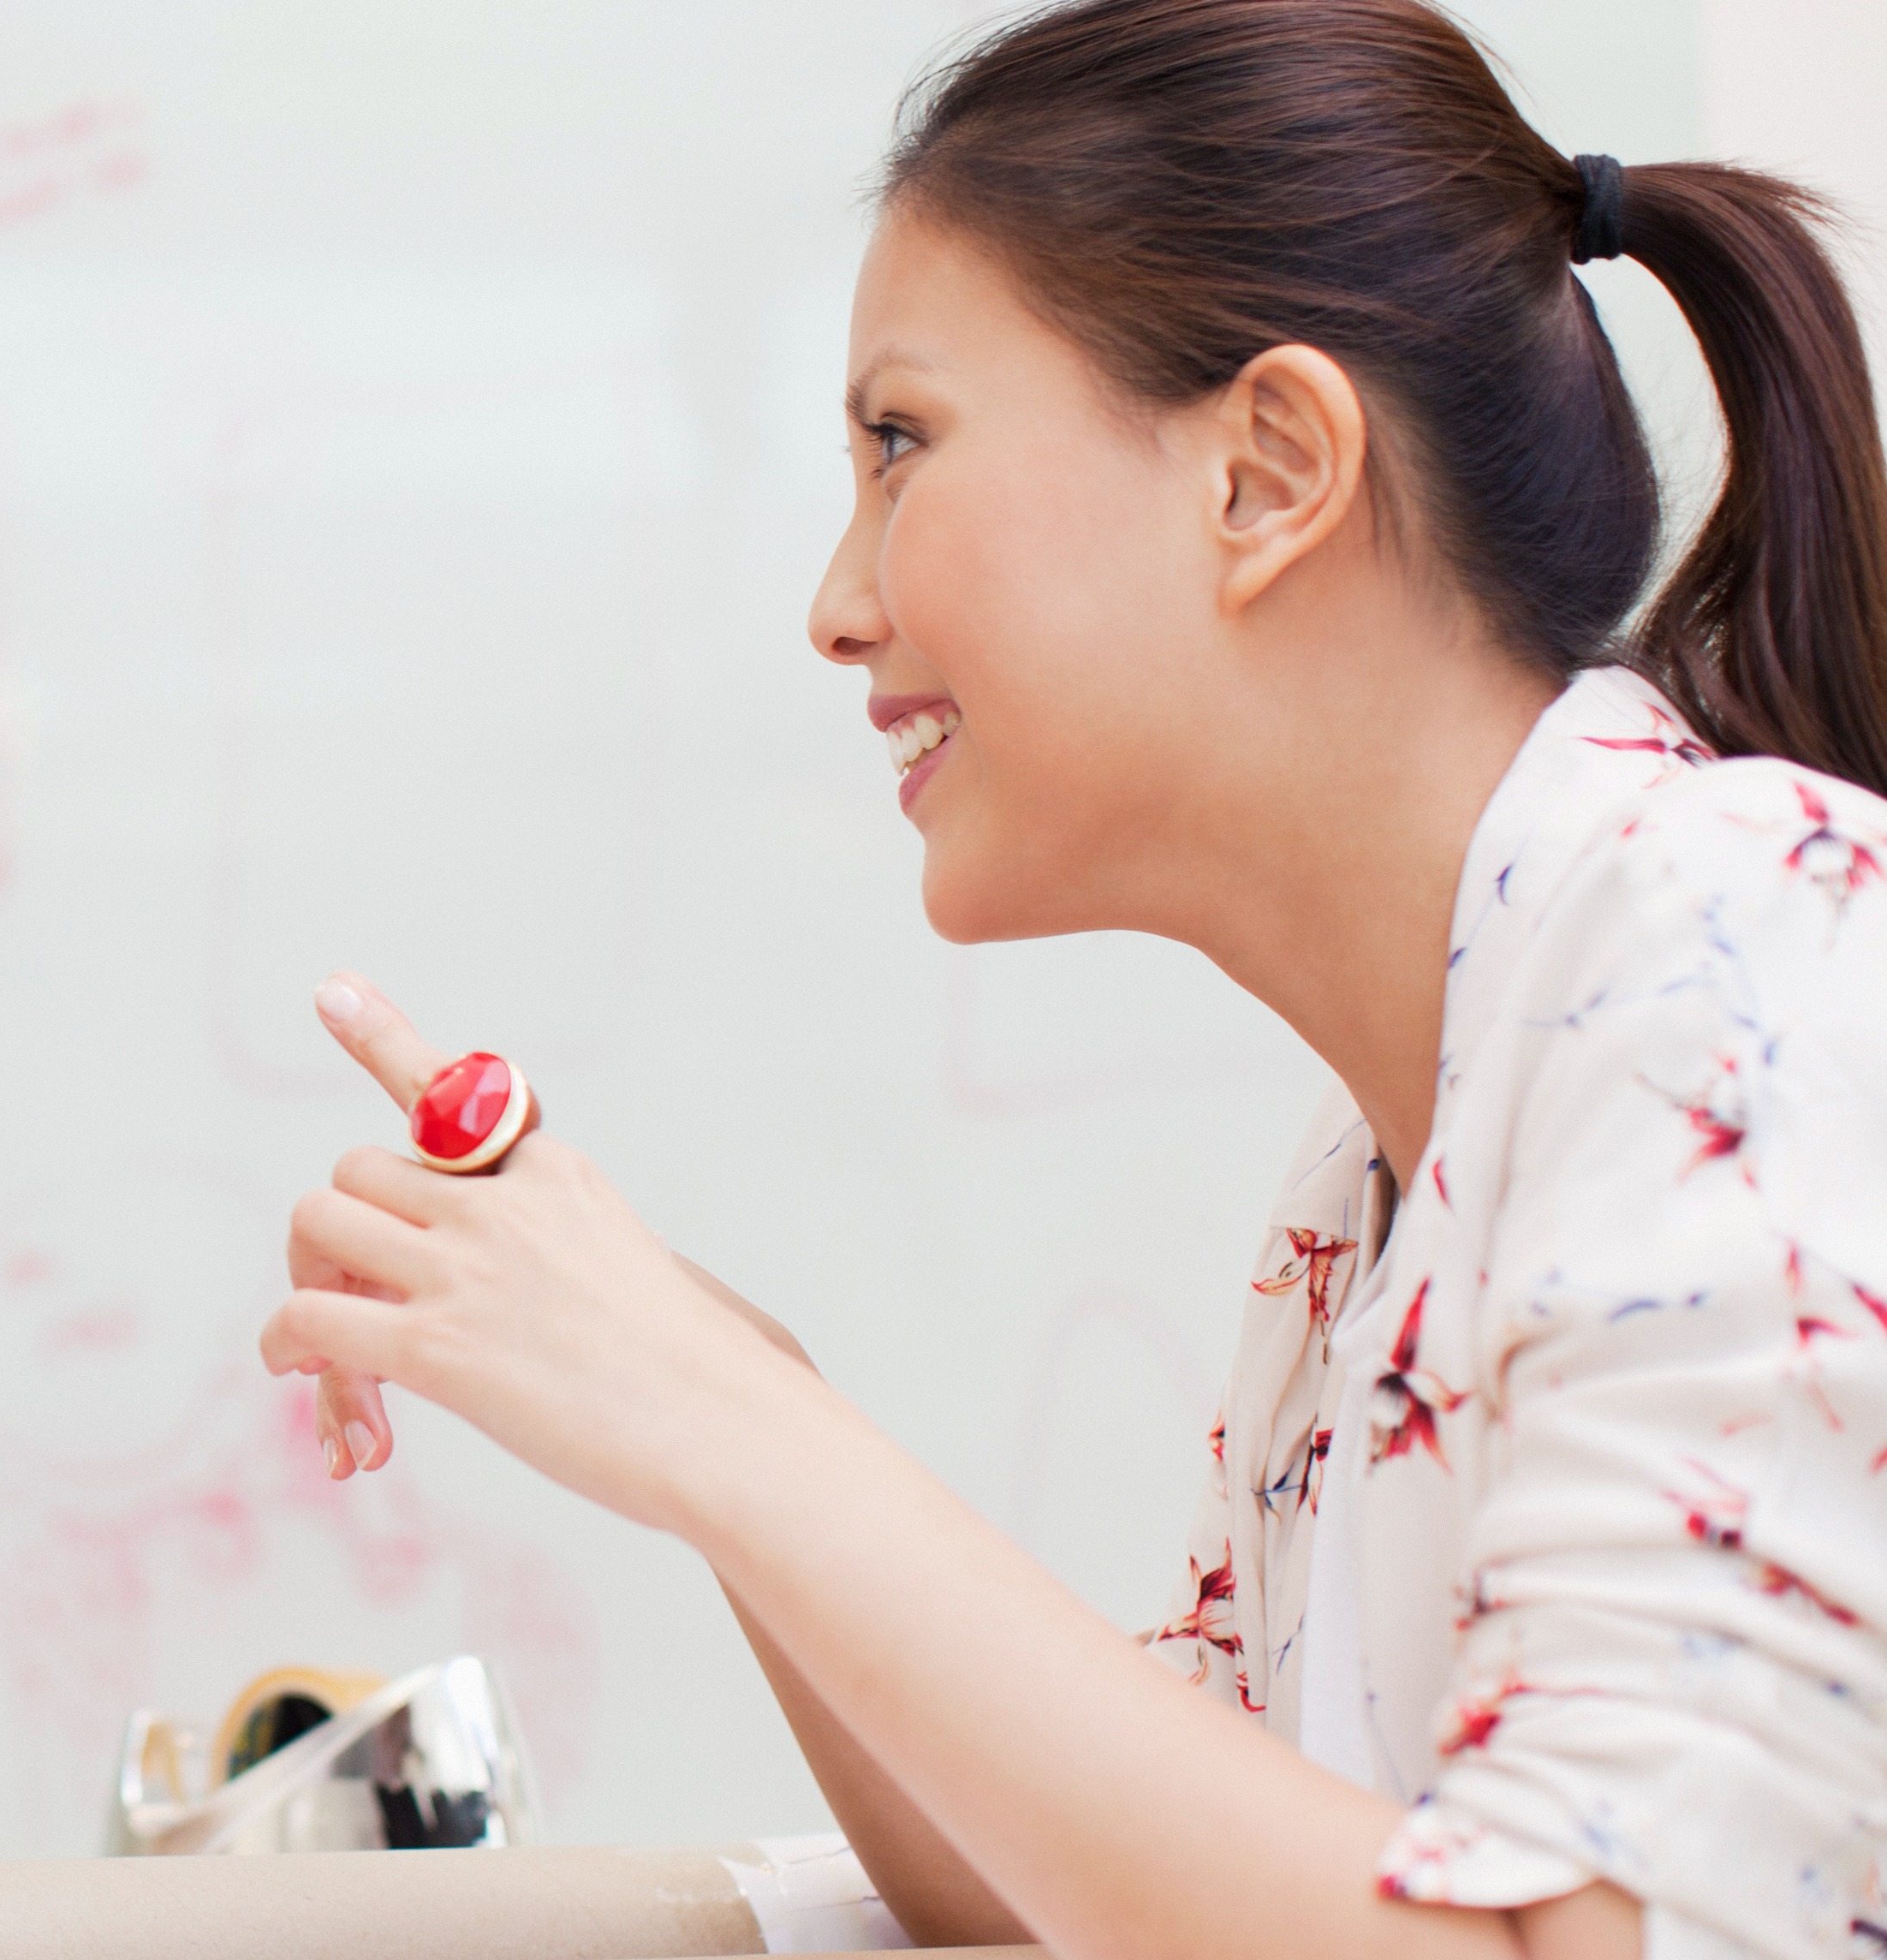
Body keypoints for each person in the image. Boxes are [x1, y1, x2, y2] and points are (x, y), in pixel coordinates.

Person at [265, 1, 1887, 1955]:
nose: (833, 602)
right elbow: (1112, 1892)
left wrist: (713, 1418)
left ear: (1265, 468)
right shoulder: (1384, 1150)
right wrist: (715, 1385)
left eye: (897, 444)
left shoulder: (1739, 964)